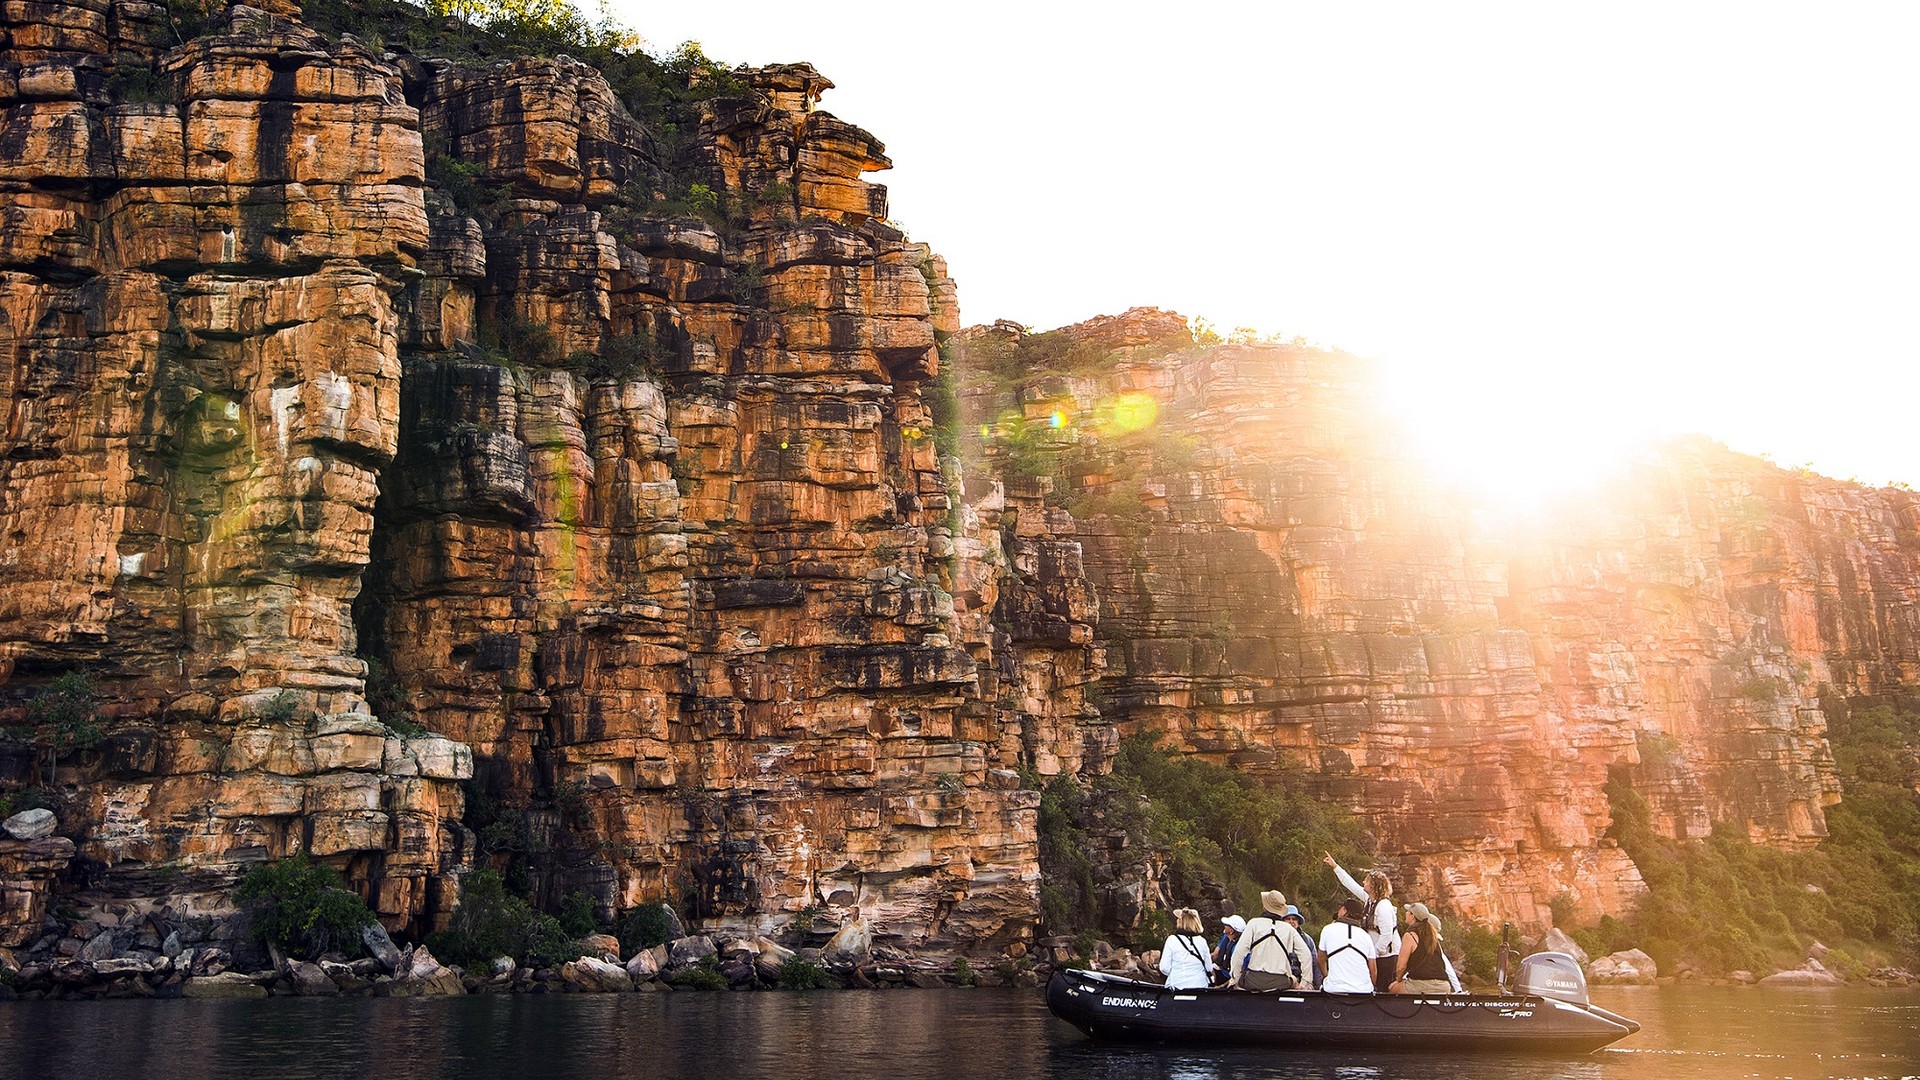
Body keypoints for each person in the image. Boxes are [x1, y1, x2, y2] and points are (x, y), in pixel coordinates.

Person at [1324, 852, 1398, 993]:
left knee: (1382, 990)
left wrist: (1372, 954)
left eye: (1367, 881)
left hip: (1386, 957)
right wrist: (1335, 867)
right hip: (1374, 954)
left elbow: (1387, 936)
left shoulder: (1383, 907)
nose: (1364, 883)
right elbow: (1350, 884)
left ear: (1374, 886)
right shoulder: (1369, 900)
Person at [1230, 890, 1315, 991]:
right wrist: (1305, 982)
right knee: (1294, 980)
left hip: (1254, 980)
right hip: (1281, 982)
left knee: (1240, 979)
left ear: (1265, 906)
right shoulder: (1289, 929)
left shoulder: (1254, 924)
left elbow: (1239, 952)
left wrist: (1235, 978)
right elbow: (1306, 955)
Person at [1391, 902, 1458, 994]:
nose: (1406, 913)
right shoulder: (1433, 936)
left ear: (1413, 916)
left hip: (1421, 985)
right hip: (1444, 986)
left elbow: (1401, 967)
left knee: (1392, 987)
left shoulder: (1410, 935)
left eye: (1408, 911)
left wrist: (1398, 979)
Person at [1317, 897, 1377, 994]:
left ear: (1345, 910)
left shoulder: (1328, 929)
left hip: (1334, 989)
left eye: (1340, 908)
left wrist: (1326, 976)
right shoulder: (1366, 936)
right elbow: (1373, 970)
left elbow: (1320, 960)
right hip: (1363, 991)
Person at [1157, 907, 1216, 990]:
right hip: (1200, 986)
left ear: (1181, 921)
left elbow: (1164, 968)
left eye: (1178, 918)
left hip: (1177, 985)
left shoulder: (1172, 940)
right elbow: (1209, 968)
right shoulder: (1202, 941)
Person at [1281, 903, 1324, 988]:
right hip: (1283, 980)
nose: (1291, 922)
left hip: (1303, 981)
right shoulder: (1277, 938)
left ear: (1298, 922)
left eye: (1294, 919)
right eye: (1288, 919)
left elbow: (1314, 964)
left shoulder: (1307, 940)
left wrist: (1318, 986)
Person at [1211, 914, 1246, 980]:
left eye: (1227, 925)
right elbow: (1215, 954)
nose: (1224, 925)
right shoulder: (1226, 937)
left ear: (1231, 931)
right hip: (1220, 969)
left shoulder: (1236, 948)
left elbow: (1238, 972)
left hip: (1228, 976)